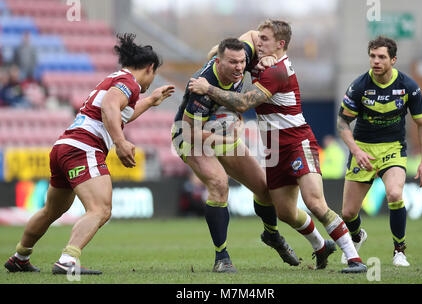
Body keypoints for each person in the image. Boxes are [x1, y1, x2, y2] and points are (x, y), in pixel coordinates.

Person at [189, 20, 368, 273]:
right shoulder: (255, 61)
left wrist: (208, 88)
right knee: (284, 212)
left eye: (264, 39)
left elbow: (243, 103)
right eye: (259, 38)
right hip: (274, 149)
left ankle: (354, 258)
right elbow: (220, 53)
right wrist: (218, 59)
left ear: (280, 44)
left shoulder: (277, 72)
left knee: (315, 202)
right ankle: (320, 246)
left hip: (298, 142)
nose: (257, 43)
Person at [4, 33, 175, 275]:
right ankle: (67, 260)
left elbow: (118, 111)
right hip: (83, 148)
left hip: (64, 146)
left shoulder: (114, 79)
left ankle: (20, 257)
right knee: (101, 209)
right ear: (150, 68)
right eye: (153, 74)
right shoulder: (130, 83)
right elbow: (109, 107)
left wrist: (149, 101)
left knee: (51, 211)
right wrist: (120, 142)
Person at [172, 35, 304, 273]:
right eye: (232, 62)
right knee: (219, 183)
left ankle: (272, 235)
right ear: (218, 61)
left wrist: (272, 55)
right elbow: (190, 132)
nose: (240, 67)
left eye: (242, 61)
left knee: (264, 189)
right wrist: (228, 138)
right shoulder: (201, 87)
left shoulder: (244, 51)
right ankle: (221, 257)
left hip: (219, 129)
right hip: (189, 135)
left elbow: (257, 34)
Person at [336, 36, 422, 267]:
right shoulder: (359, 86)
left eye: (381, 57)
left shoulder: (408, 86)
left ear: (393, 60)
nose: (376, 61)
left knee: (394, 194)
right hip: (364, 150)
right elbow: (342, 124)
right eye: (372, 56)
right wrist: (356, 151)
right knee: (348, 213)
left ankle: (399, 251)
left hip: (393, 148)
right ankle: (358, 236)